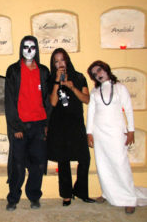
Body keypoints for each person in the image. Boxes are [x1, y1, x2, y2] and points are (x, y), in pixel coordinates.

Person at [87, 60, 147, 214]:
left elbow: (128, 110)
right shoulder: (94, 92)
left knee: (121, 164)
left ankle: (129, 199)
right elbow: (91, 114)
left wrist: (131, 130)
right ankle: (108, 194)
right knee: (103, 165)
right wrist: (89, 133)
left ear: (106, 69)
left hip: (116, 133)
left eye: (99, 70)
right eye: (94, 74)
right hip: (99, 133)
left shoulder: (120, 88)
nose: (98, 74)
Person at [4, 35, 52, 211]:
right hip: (20, 126)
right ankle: (13, 198)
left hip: (39, 125)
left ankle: (34, 196)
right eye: (26, 47)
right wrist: (15, 126)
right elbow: (9, 101)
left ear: (37, 49)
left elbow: (47, 101)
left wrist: (47, 124)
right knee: (17, 165)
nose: (29, 51)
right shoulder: (13, 71)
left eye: (33, 47)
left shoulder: (44, 71)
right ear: (21, 49)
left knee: (37, 164)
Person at [46, 48, 95, 206]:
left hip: (76, 123)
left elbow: (87, 100)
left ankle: (80, 191)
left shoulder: (79, 77)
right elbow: (52, 103)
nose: (60, 63)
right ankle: (66, 195)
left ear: (67, 60)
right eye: (56, 61)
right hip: (59, 125)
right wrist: (57, 83)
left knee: (85, 158)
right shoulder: (50, 79)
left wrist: (72, 87)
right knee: (63, 160)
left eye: (62, 60)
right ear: (53, 64)